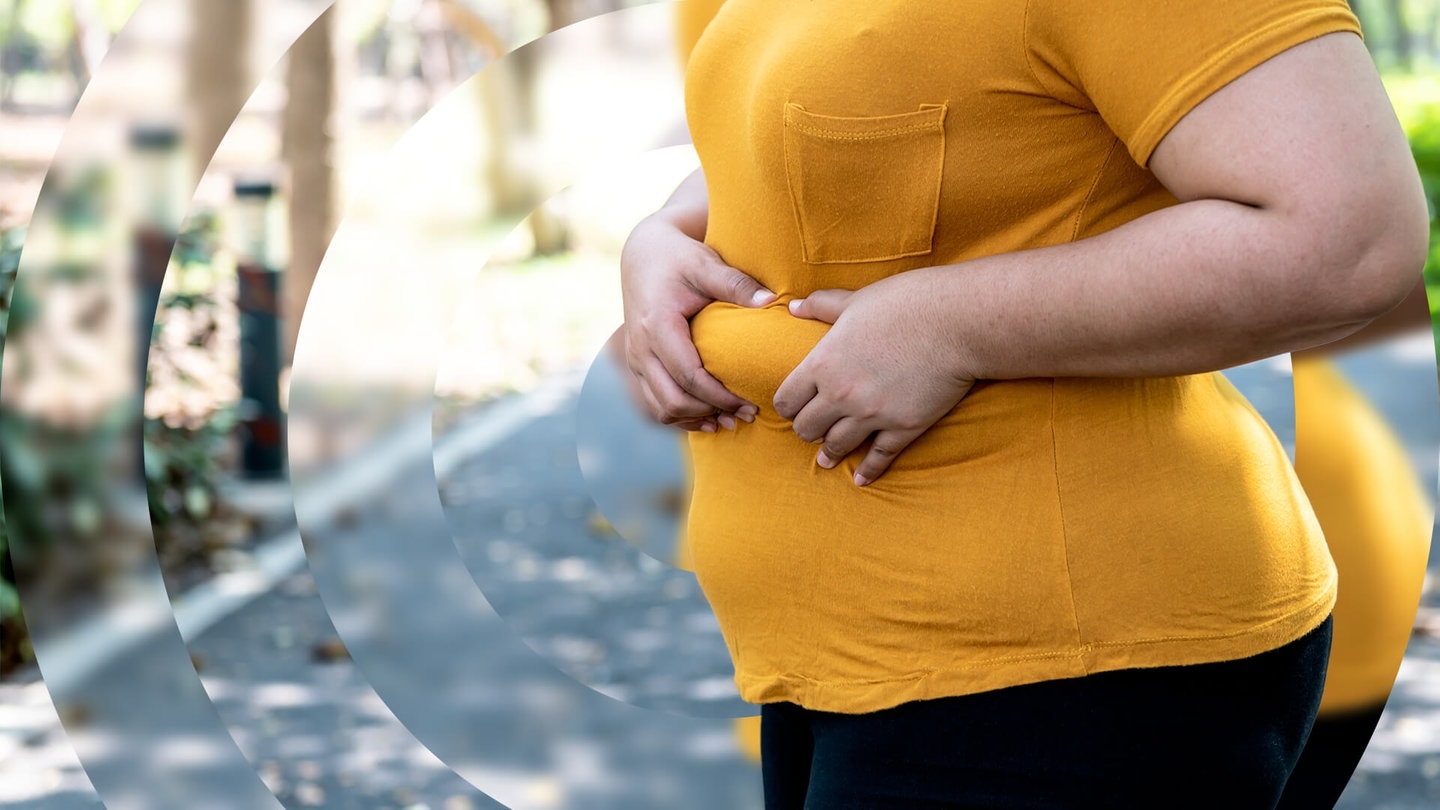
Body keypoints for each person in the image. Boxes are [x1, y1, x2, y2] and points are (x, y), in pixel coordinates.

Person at [623, 1, 1430, 806]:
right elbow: (825, 125)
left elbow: (1348, 236)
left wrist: (951, 326)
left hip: (1063, 674)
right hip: (847, 664)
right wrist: (663, 235)